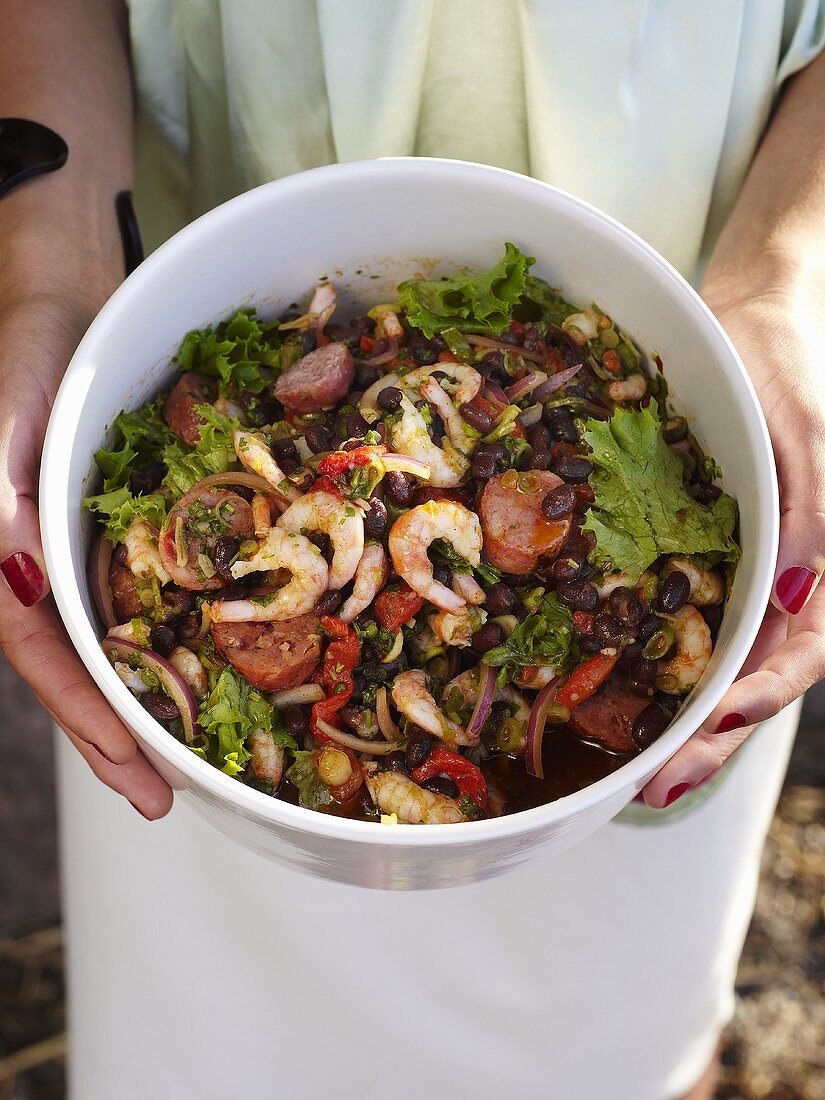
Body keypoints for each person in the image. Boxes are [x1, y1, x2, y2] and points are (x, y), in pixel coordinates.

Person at [1, 2, 823, 1097]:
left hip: (721, 334)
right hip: (183, 236)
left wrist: (787, 279)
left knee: (598, 1020)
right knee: (213, 1014)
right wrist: (50, 266)